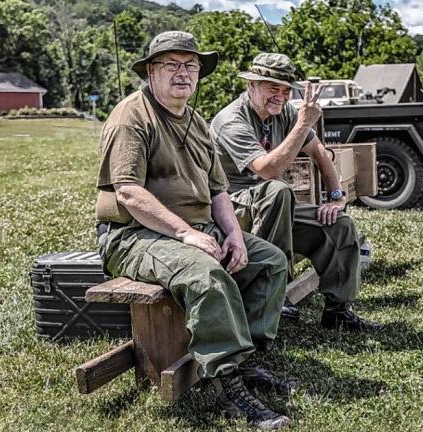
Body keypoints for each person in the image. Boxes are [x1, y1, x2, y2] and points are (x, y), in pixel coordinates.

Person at [95, 32, 292, 429]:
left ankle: (245, 358)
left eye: (191, 65)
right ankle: (228, 385)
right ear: (151, 71)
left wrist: (234, 234)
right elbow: (129, 193)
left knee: (270, 261)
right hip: (133, 234)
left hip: (194, 227)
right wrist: (188, 234)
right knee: (206, 274)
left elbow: (218, 189)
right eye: (172, 65)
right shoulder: (131, 117)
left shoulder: (198, 122)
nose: (183, 73)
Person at [210, 53, 383, 332]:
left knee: (338, 225)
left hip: (273, 207)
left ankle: (337, 312)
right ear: (251, 86)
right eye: (272, 88)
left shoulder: (287, 113)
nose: (280, 96)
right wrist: (303, 124)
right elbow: (267, 170)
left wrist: (336, 198)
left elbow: (320, 154)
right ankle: (274, 288)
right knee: (278, 190)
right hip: (230, 211)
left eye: (286, 90)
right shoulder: (231, 120)